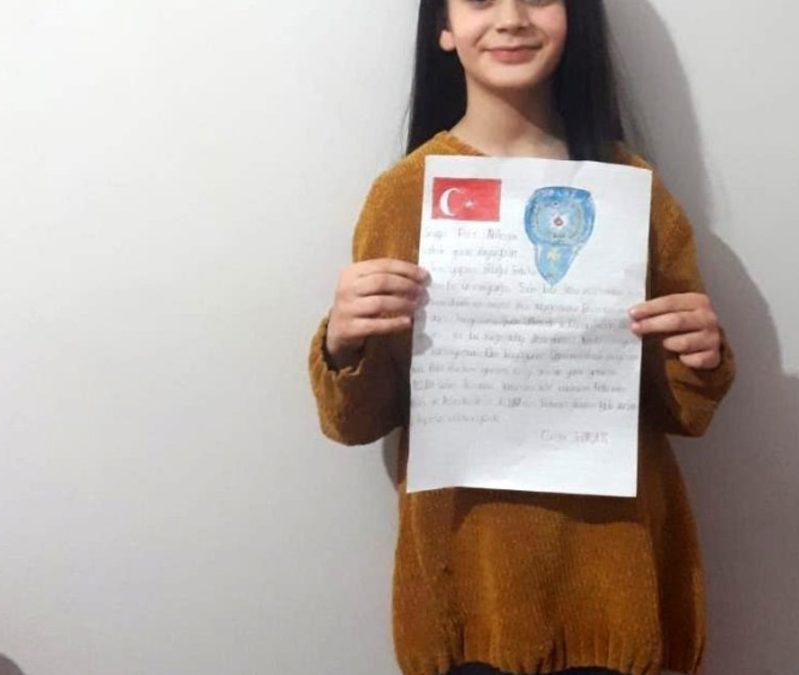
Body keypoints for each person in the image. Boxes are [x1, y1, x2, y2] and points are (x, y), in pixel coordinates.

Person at [307, 1, 736, 673]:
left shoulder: (632, 192)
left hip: (618, 588)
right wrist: (343, 343)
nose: (510, 17)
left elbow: (684, 411)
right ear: (442, 27)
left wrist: (699, 355)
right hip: (470, 594)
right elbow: (358, 421)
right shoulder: (405, 194)